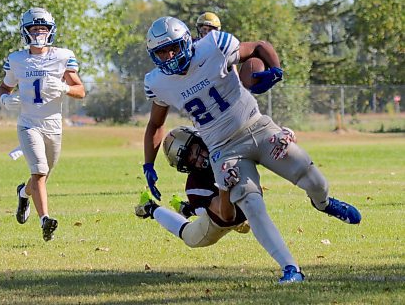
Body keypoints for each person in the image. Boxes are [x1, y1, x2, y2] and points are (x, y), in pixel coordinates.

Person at [142, 16, 362, 283]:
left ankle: (323, 203)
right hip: (224, 149)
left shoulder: (213, 45)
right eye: (161, 52)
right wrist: (149, 164)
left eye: (173, 47)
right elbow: (155, 124)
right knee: (251, 204)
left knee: (312, 178)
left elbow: (259, 46)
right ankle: (290, 268)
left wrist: (275, 70)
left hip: (258, 127)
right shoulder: (158, 82)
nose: (169, 56)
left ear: (187, 41)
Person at [0, 7, 86, 241]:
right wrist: (5, 99)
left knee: (42, 177)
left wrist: (66, 88)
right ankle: (45, 219)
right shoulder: (17, 59)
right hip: (28, 124)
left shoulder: (62, 56)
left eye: (43, 28)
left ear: (51, 31)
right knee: (39, 171)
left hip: (53, 126)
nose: (39, 33)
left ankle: (23, 193)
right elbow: (4, 87)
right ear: (25, 32)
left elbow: (81, 90)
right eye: (34, 28)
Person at [135, 126, 250, 248]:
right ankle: (150, 207)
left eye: (197, 151)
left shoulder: (221, 147)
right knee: (189, 237)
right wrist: (224, 186)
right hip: (219, 220)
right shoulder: (195, 184)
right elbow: (226, 215)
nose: (200, 160)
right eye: (192, 161)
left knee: (245, 225)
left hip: (231, 205)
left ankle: (186, 209)